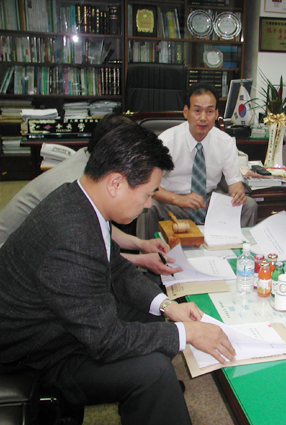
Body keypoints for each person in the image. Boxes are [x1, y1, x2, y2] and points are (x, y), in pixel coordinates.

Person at [0, 124, 235, 425]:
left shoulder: (79, 199)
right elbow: (105, 339)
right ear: (115, 183)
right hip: (37, 354)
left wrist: (167, 306)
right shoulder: (71, 239)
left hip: (60, 324)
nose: (149, 204)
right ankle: (154, 393)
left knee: (150, 313)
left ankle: (149, 403)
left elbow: (117, 267)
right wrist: (187, 333)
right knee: (154, 372)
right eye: (147, 194)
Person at [0, 113, 181, 276]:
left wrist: (139, 244)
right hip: (13, 264)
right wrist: (140, 260)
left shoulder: (88, 163)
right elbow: (82, 254)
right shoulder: (75, 185)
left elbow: (99, 225)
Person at [136, 83, 257, 240]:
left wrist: (237, 193)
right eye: (197, 111)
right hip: (172, 203)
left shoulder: (225, 142)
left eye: (209, 111)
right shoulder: (167, 141)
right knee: (147, 208)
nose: (203, 118)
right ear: (186, 112)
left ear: (216, 114)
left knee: (248, 206)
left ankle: (234, 249)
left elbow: (234, 184)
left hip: (208, 202)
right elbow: (147, 185)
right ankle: (149, 254)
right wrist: (179, 200)